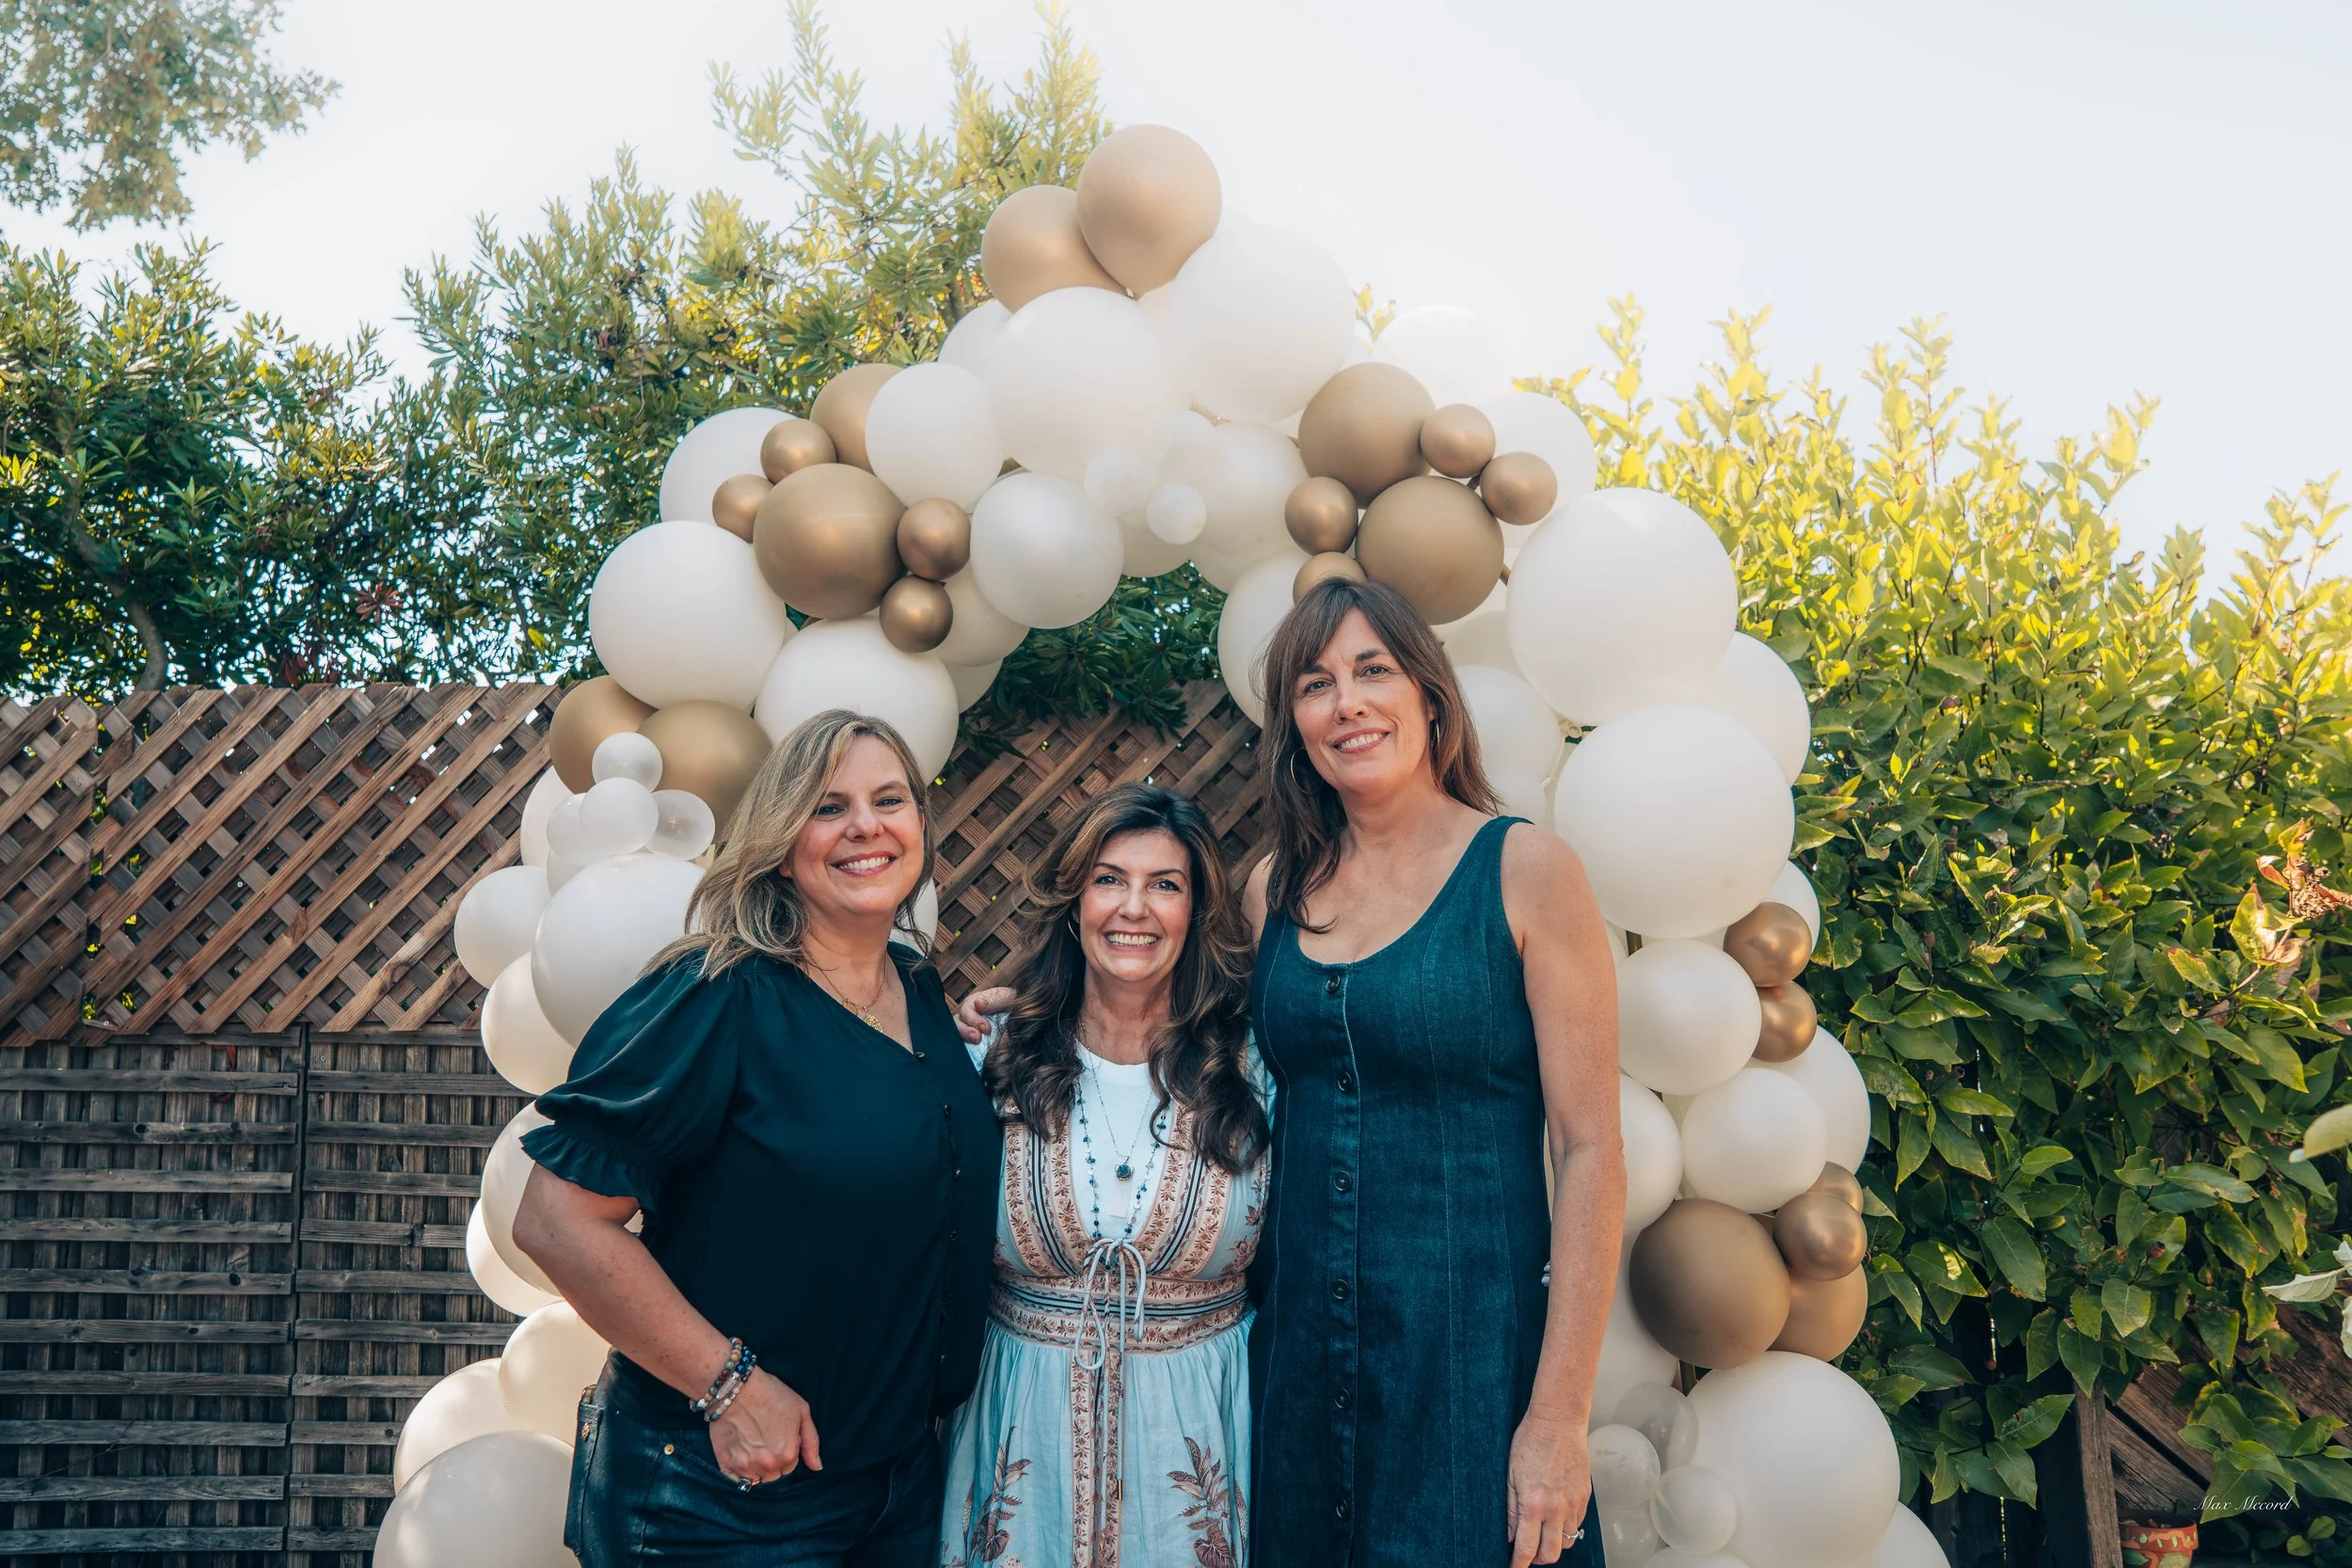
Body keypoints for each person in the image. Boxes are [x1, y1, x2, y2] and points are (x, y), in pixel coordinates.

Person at [513, 709, 999, 1568]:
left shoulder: (921, 993)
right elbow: (555, 1220)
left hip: (897, 1484)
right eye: (828, 805)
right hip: (720, 1496)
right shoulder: (715, 996)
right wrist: (728, 1385)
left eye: (889, 799)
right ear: (780, 838)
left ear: (920, 825)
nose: (865, 826)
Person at [1243, 577, 1623, 1568]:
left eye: (1373, 669)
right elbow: (1188, 1053)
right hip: (1297, 1372)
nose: (1348, 702)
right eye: (1315, 683)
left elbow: (1590, 1149)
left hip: (1471, 1372)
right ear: (1295, 721)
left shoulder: (1526, 867)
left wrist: (1558, 1417)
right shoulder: (1267, 892)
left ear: (1428, 694)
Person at [940, 784, 1269, 1568]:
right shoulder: (992, 1058)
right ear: (1073, 901)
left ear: (1196, 912)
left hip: (1198, 1445)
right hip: (1020, 1439)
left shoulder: (1257, 1069)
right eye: (1109, 878)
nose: (1135, 907)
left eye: (1166, 884)